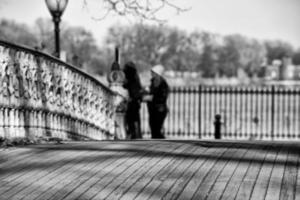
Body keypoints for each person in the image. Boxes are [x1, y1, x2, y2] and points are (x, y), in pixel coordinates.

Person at [145, 64, 169, 139]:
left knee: (157, 130)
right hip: (152, 109)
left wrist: (152, 98)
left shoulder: (163, 83)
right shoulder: (153, 82)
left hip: (159, 109)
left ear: (157, 73)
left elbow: (163, 97)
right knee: (153, 128)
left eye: (153, 72)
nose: (151, 74)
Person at [123, 61, 143, 139]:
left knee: (131, 120)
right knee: (135, 120)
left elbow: (129, 88)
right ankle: (136, 135)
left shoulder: (130, 79)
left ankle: (133, 135)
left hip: (132, 102)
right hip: (136, 102)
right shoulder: (135, 78)